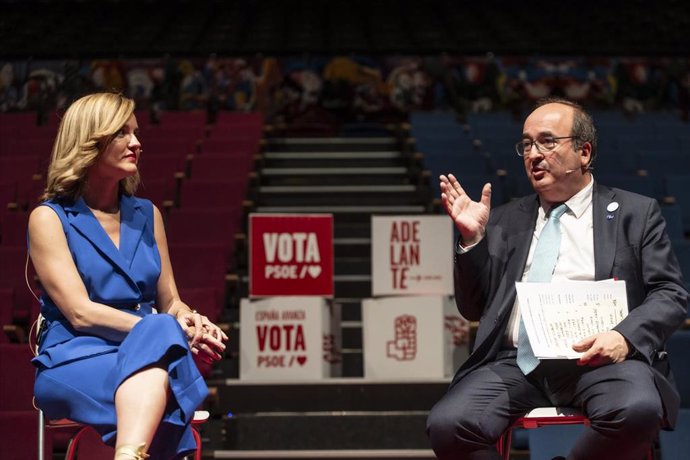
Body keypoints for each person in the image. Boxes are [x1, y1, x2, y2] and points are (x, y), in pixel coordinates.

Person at [426, 97, 689, 460]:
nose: (534, 154)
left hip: (601, 361)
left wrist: (624, 337)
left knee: (637, 410)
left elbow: (670, 293)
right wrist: (472, 241)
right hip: (517, 363)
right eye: (527, 144)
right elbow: (474, 308)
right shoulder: (503, 220)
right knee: (448, 425)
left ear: (584, 151)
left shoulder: (635, 213)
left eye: (548, 141)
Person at [29, 92, 228, 460]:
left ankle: (128, 454)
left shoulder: (147, 214)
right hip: (76, 354)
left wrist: (189, 320)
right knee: (166, 386)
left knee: (160, 353)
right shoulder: (49, 218)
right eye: (122, 133)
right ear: (89, 140)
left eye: (135, 132)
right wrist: (168, 329)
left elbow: (170, 302)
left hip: (147, 350)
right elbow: (80, 313)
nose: (136, 143)